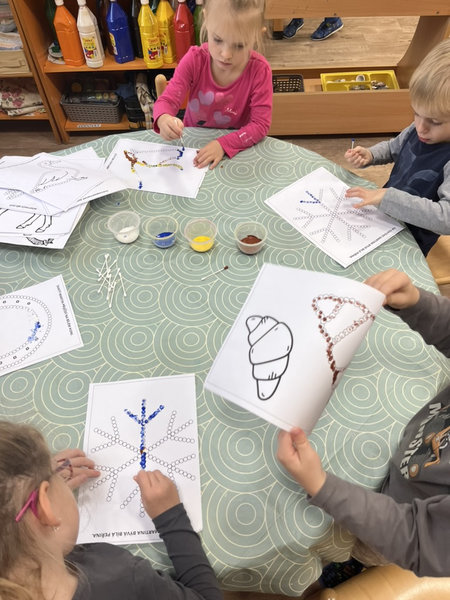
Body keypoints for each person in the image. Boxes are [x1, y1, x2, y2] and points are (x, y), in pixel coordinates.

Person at [277, 268, 450, 578]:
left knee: (363, 549)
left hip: (398, 523)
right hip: (408, 461)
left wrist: (321, 485)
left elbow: (416, 539)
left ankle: (351, 567)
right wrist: (417, 303)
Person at [0, 420, 223, 600]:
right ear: (45, 508)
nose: (60, 470)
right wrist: (170, 516)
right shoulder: (122, 577)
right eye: (54, 472)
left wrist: (32, 487)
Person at [344, 38, 450, 256]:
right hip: (385, 217)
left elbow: (446, 218)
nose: (420, 127)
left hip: (411, 242)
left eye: (434, 122)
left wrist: (388, 198)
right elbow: (395, 147)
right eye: (416, 113)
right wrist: (371, 154)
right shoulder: (419, 127)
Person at [153, 0, 272, 169]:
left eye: (239, 45)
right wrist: (163, 118)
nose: (226, 54)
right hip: (193, 146)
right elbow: (167, 100)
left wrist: (223, 144)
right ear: (206, 19)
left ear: (255, 35)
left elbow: (260, 125)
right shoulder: (194, 60)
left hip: (236, 149)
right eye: (218, 39)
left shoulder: (259, 71)